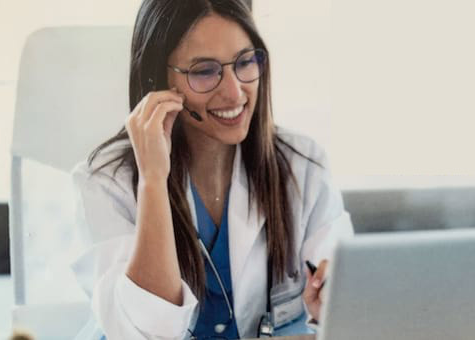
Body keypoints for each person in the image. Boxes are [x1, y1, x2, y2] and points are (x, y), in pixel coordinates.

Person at [71, 0, 353, 339]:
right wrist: (153, 180)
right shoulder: (106, 181)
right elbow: (149, 331)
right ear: (159, 78)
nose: (234, 93)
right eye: (205, 71)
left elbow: (348, 300)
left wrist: (334, 308)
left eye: (245, 62)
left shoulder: (302, 165)